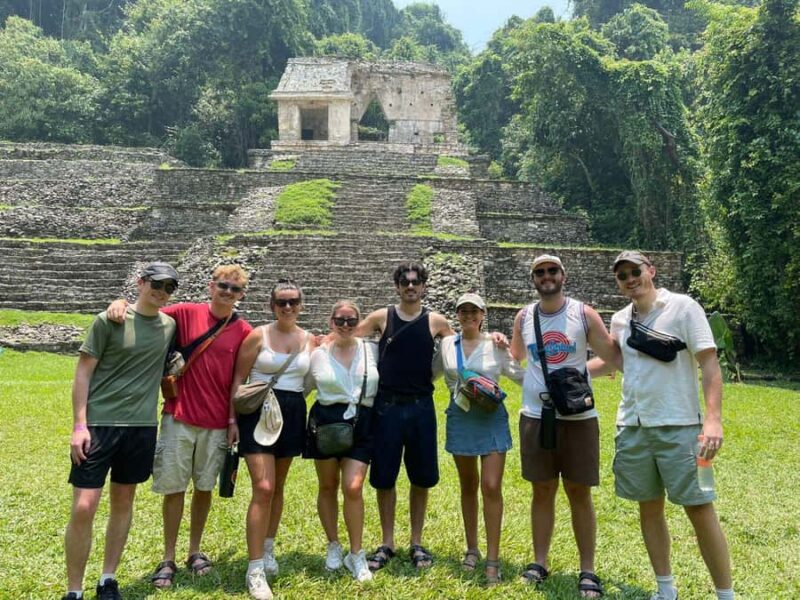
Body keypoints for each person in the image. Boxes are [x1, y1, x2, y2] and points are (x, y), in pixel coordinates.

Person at [588, 251, 734, 600]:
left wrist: (713, 420)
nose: (630, 279)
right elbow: (621, 364)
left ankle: (726, 594)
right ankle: (665, 589)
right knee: (648, 507)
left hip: (681, 424)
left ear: (650, 270)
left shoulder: (684, 308)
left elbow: (709, 364)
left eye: (634, 271)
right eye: (622, 275)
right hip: (634, 425)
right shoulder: (621, 320)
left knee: (700, 509)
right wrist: (567, 372)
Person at [107, 265, 252, 587]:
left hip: (216, 421)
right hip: (179, 415)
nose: (228, 293)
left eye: (235, 289)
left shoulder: (243, 330)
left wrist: (232, 420)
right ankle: (168, 555)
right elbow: (146, 310)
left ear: (242, 295)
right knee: (174, 488)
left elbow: (238, 381)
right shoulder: (185, 313)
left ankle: (195, 549)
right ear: (211, 286)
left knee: (204, 488)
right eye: (223, 286)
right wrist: (120, 303)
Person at [63, 263, 178, 600]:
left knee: (123, 501)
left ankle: (107, 579)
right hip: (99, 424)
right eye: (156, 284)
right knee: (84, 506)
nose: (162, 291)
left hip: (141, 427)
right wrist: (79, 425)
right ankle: (74, 590)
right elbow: (83, 373)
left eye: (169, 287)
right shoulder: (109, 320)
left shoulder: (169, 325)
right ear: (141, 282)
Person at [510, 254, 620, 598]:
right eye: (540, 272)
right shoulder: (524, 317)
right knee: (541, 490)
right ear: (533, 279)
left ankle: (588, 569)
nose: (546, 276)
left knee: (578, 492)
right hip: (535, 414)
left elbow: (613, 356)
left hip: (577, 418)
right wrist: (500, 347)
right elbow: (515, 359)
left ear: (563, 275)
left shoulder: (582, 313)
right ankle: (539, 561)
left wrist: (581, 374)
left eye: (552, 271)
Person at [355, 261, 455, 572]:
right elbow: (347, 340)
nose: (410, 286)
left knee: (421, 477)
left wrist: (494, 342)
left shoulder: (436, 321)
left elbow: (460, 350)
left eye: (416, 281)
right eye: (405, 282)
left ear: (424, 286)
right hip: (387, 406)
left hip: (421, 405)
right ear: (397, 286)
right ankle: (387, 542)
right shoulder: (381, 317)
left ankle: (416, 540)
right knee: (384, 477)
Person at [231, 278, 315, 600]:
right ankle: (254, 569)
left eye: (294, 301)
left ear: (301, 304)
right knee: (263, 488)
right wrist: (231, 421)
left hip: (292, 412)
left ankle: (268, 549)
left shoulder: (309, 339)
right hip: (259, 410)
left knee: (278, 487)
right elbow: (239, 379)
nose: (288, 307)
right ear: (272, 306)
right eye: (282, 302)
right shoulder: (258, 335)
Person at [436, 292, 524, 585]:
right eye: (463, 311)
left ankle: (493, 559)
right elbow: (432, 374)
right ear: (457, 315)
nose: (469, 316)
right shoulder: (448, 343)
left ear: (483, 315)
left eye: (474, 311)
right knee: (468, 485)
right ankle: (472, 548)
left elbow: (518, 375)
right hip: (460, 415)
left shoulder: (495, 344)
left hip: (490, 418)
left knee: (491, 485)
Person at [303, 300, 380, 582]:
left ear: (359, 323)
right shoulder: (318, 354)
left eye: (351, 321)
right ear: (331, 322)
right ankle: (334, 544)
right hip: (326, 422)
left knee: (353, 487)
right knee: (327, 485)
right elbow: (303, 389)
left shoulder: (372, 351)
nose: (345, 326)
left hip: (362, 422)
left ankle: (356, 553)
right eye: (340, 321)